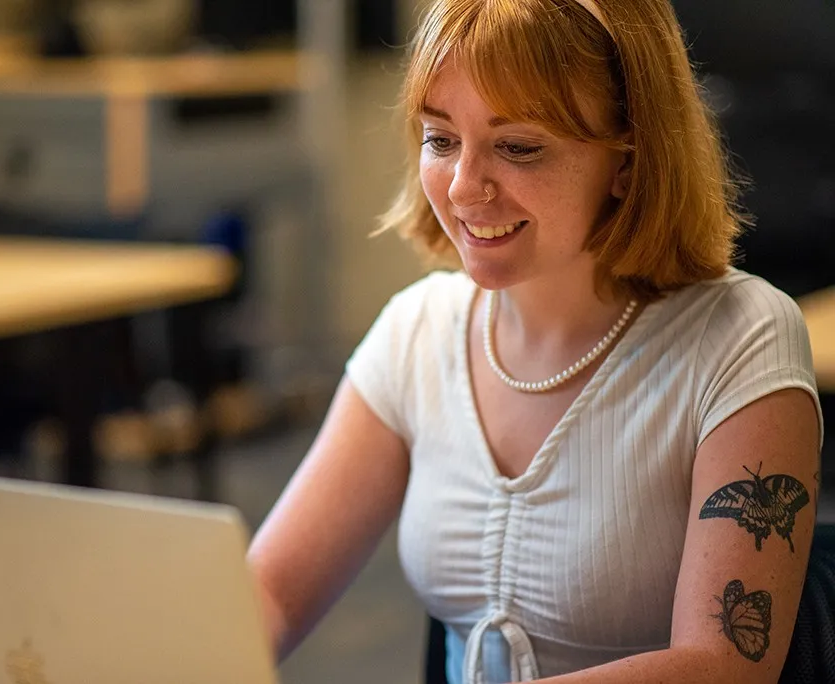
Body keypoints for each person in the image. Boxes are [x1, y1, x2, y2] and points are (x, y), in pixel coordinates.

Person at [247, 0, 824, 682]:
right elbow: (271, 599)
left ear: (629, 160)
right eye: (440, 139)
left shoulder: (740, 336)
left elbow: (725, 666)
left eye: (518, 147)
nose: (464, 188)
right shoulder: (418, 331)